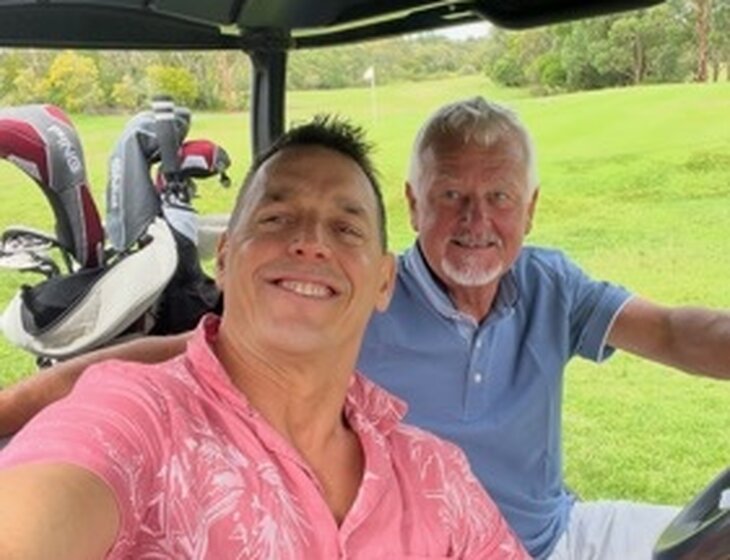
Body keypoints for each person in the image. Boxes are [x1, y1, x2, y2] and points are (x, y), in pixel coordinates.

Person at [1, 97, 728, 558]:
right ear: (414, 205)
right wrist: (10, 409)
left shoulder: (431, 461)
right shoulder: (321, 323)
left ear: (530, 209)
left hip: (557, 532)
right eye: (452, 195)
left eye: (500, 197)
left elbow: (671, 330)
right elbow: (142, 384)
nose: (476, 220)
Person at [0, 116, 528, 559]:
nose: (309, 242)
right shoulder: (141, 419)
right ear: (225, 257)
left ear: (384, 281)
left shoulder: (433, 473)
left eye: (346, 229)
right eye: (276, 218)